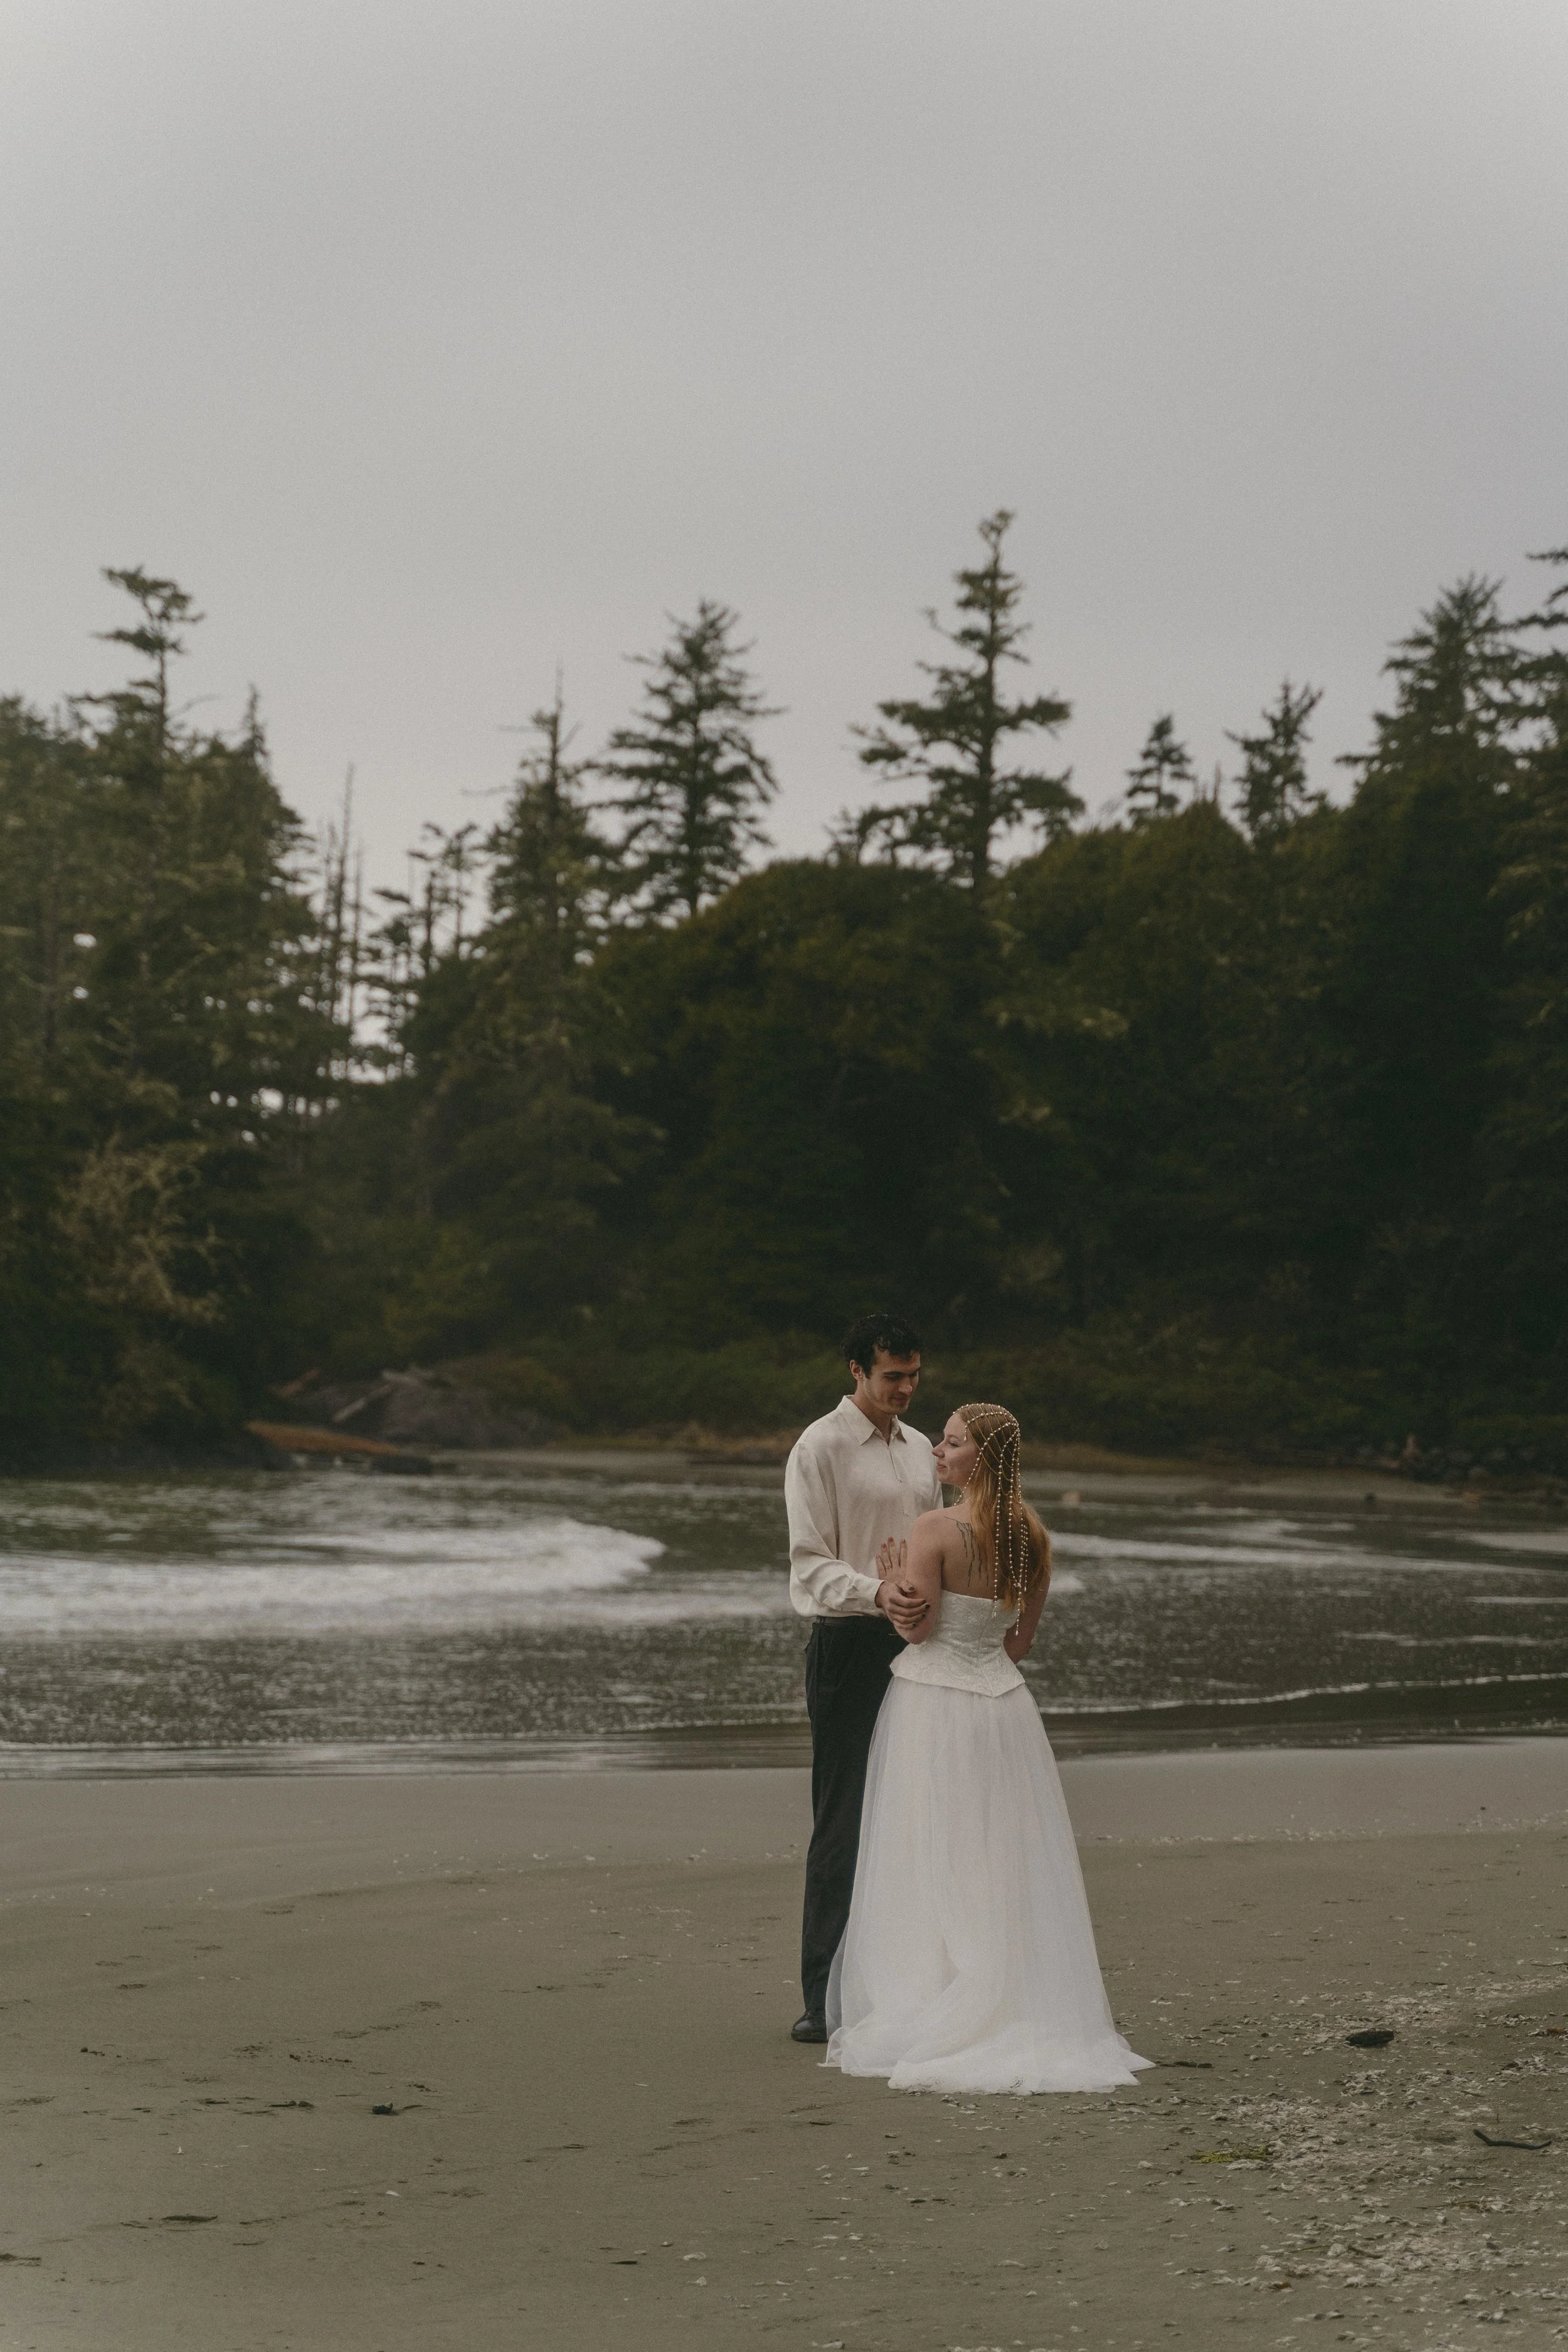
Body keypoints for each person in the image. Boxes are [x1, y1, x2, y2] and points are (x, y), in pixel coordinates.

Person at [824, 1401, 1150, 2095]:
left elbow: (916, 1632)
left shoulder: (934, 1528)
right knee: (996, 1853)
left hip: (933, 1705)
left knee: (928, 1847)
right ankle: (1004, 1986)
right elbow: (1019, 1643)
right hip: (1003, 1709)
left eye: (950, 1444)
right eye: (940, 1442)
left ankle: (939, 1989)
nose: (937, 1453)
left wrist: (898, 1580)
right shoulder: (1033, 1534)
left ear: (982, 1459)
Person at [785, 1311, 940, 2044]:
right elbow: (810, 1565)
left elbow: (933, 1544)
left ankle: (896, 1985)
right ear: (857, 1371)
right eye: (892, 1376)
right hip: (848, 1645)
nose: (906, 1389)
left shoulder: (920, 1450)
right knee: (844, 1820)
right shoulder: (819, 1447)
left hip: (917, 1643)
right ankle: (823, 1998)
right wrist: (876, 1593)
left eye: (913, 1375)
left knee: (907, 1816)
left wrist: (927, 1602)